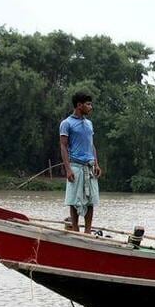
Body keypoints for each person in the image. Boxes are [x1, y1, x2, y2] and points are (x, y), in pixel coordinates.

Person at [60, 91, 102, 233]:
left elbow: (91, 144)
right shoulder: (66, 123)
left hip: (89, 166)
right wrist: (68, 169)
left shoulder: (89, 124)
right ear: (79, 105)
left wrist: (96, 164)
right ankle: (75, 228)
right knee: (74, 200)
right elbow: (63, 146)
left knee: (90, 200)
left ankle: (88, 231)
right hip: (75, 166)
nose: (91, 107)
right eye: (88, 104)